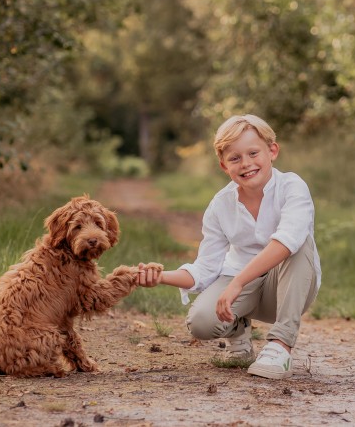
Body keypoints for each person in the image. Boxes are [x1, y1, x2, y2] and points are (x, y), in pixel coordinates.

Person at [137, 114, 321, 380]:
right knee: (200, 322)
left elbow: (286, 241)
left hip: (289, 287)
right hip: (242, 284)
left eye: (253, 153)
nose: (246, 164)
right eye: (235, 158)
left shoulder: (293, 187)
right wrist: (160, 277)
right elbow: (205, 268)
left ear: (272, 151)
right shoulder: (220, 205)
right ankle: (238, 330)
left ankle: (280, 346)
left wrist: (237, 283)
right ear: (224, 165)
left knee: (298, 242)